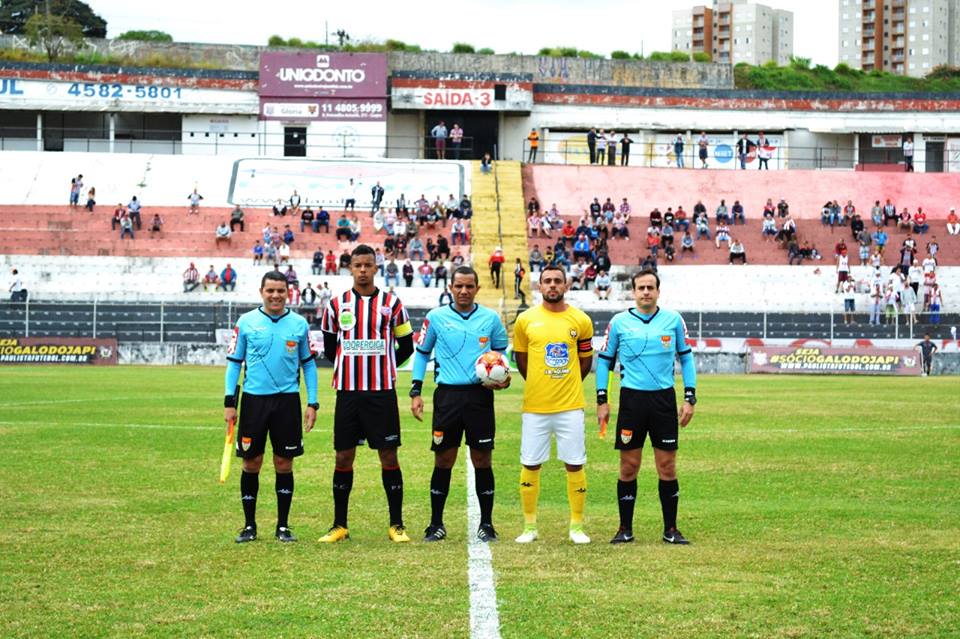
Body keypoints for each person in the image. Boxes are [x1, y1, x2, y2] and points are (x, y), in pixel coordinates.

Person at [318, 245, 416, 543]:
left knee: (388, 455)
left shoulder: (393, 304)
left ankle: (396, 525)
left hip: (381, 393)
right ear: (350, 268)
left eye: (368, 265)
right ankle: (339, 525)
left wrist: (383, 364)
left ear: (377, 268)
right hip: (348, 392)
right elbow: (329, 348)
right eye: (357, 265)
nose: (362, 270)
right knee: (344, 456)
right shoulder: (336, 305)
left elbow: (407, 346)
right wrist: (354, 365)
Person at [595, 269, 697, 545]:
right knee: (629, 466)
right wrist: (602, 399)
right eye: (641, 287)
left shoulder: (673, 320)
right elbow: (605, 361)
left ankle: (671, 529)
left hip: (663, 400)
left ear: (658, 291)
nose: (646, 292)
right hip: (632, 402)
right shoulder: (619, 322)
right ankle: (624, 528)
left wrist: (690, 397)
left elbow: (686, 359)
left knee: (667, 466)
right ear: (633, 291)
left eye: (650, 287)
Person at [410, 267, 510, 542]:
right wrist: (415, 390)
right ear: (450, 288)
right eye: (458, 286)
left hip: (480, 397)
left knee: (482, 459)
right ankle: (435, 524)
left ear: (477, 288)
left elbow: (502, 354)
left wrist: (504, 377)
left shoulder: (490, 318)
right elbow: (421, 354)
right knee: (444, 459)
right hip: (447, 398)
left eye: (469, 286)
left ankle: (487, 524)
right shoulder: (436, 318)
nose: (463, 291)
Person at [225, 270, 318, 544]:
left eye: (280, 290)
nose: (275, 295)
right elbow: (234, 363)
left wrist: (312, 402)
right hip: (254, 401)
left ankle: (283, 526)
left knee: (283, 463)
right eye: (270, 291)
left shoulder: (299, 324)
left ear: (288, 292)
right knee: (251, 462)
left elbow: (309, 365)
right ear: (261, 292)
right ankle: (249, 526)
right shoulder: (246, 322)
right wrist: (230, 402)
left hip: (287, 402)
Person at [512, 265, 595, 544]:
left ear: (566, 285)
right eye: (547, 281)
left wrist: (568, 383)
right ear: (539, 286)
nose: (552, 285)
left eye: (557, 281)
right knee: (530, 463)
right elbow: (521, 360)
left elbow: (585, 361)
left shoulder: (581, 320)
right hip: (535, 406)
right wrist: (538, 382)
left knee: (574, 463)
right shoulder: (525, 320)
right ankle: (529, 527)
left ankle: (576, 526)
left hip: (570, 406)